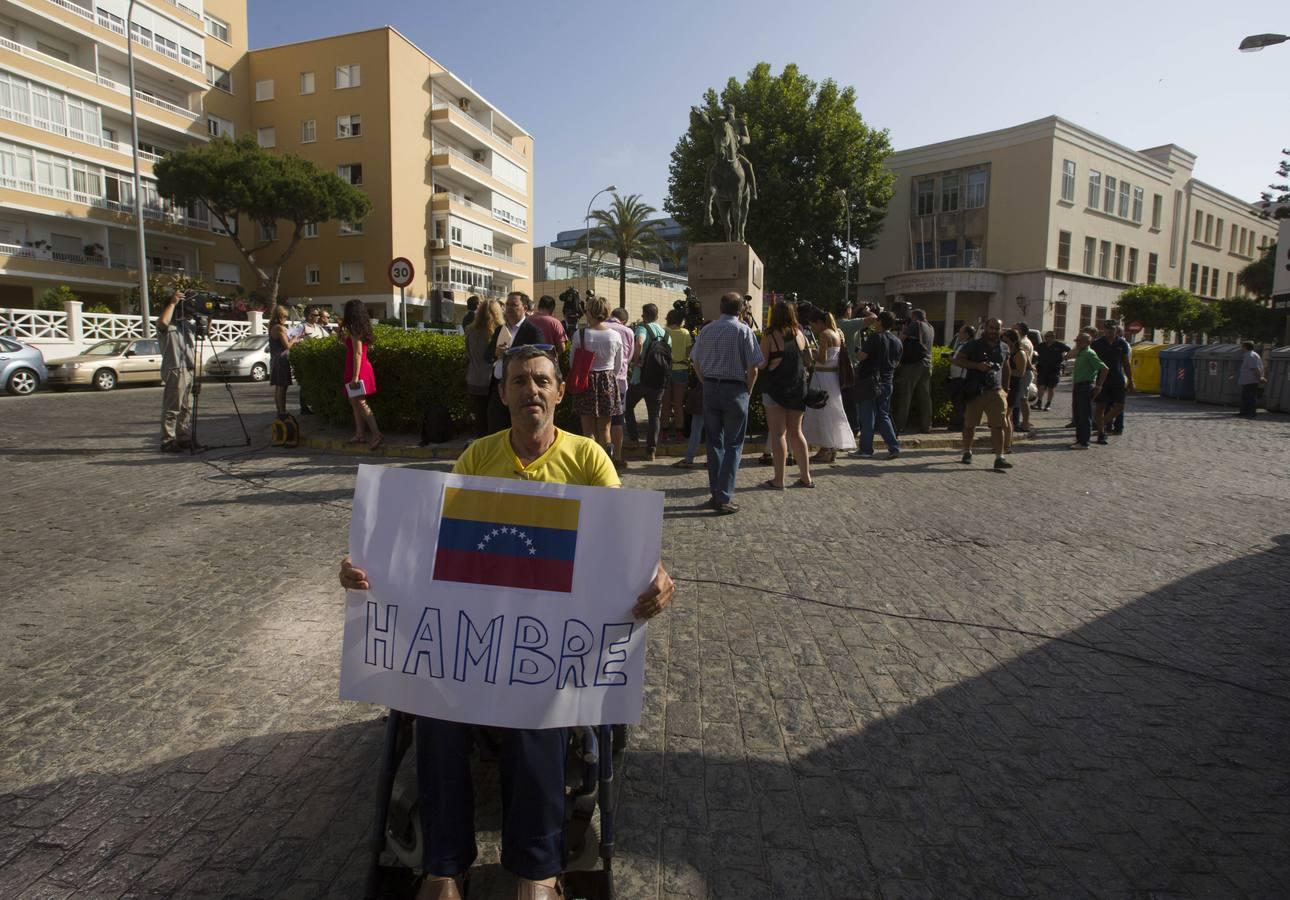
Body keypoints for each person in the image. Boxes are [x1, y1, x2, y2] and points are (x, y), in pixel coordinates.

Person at [339, 345, 674, 900]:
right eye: (519, 381)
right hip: (479, 640)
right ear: (503, 393)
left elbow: (624, 547)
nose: (531, 390)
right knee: (434, 712)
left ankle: (537, 869)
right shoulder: (477, 458)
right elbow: (432, 551)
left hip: (544, 648)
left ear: (560, 392)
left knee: (537, 706)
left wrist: (657, 576)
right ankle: (445, 867)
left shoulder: (589, 459)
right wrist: (367, 571)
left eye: (542, 380)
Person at [691, 292, 764, 514]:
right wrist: (748, 391)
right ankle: (723, 496)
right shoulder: (744, 331)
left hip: (712, 387)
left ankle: (716, 492)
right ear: (741, 309)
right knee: (734, 444)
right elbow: (754, 366)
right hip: (735, 389)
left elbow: (695, 360)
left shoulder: (707, 329)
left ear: (721, 307)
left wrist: (706, 382)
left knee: (714, 443)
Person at [757, 301, 812, 490]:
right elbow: (808, 360)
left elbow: (762, 363)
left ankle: (779, 480)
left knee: (778, 434)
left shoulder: (770, 335)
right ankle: (806, 477)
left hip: (775, 389)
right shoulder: (800, 334)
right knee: (797, 433)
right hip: (797, 388)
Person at [953, 317, 1013, 470]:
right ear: (985, 328)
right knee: (970, 424)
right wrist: (977, 366)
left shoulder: (1005, 347)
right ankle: (967, 452)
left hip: (996, 391)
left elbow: (1006, 367)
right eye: (991, 328)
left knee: (999, 425)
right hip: (976, 390)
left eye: (996, 328)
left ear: (1001, 330)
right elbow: (957, 360)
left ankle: (1000, 457)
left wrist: (1006, 389)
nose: (993, 331)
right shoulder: (973, 345)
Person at [570, 294, 624, 460]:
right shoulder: (615, 335)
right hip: (607, 380)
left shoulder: (580, 334)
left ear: (589, 312)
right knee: (605, 429)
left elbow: (573, 363)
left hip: (586, 381)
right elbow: (618, 364)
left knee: (588, 431)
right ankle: (606, 463)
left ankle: (590, 464)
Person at [803, 308, 855, 463]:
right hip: (832, 377)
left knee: (821, 411)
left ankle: (825, 448)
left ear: (819, 322)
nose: (813, 328)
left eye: (813, 324)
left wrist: (811, 351)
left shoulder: (825, 334)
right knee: (832, 411)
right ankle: (829, 447)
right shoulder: (837, 333)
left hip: (823, 376)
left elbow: (822, 358)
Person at [486, 292, 544, 434]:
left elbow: (538, 360)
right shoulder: (500, 330)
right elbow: (486, 355)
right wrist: (495, 353)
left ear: (524, 307)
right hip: (499, 387)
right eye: (508, 305)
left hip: (520, 388)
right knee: (496, 428)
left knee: (518, 429)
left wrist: (511, 353)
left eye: (514, 305)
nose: (510, 308)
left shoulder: (533, 332)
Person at [851, 309, 902, 460]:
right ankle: (894, 447)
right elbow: (897, 363)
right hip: (887, 382)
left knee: (868, 416)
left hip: (870, 382)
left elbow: (861, 356)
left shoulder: (874, 338)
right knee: (883, 415)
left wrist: (856, 350)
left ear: (879, 321)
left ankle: (866, 449)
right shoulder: (897, 341)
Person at [624, 304, 670, 461]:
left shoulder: (643, 328)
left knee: (627, 406)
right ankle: (651, 450)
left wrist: (636, 360)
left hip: (640, 379)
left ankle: (634, 438)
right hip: (658, 381)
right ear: (657, 316)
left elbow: (639, 342)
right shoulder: (666, 334)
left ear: (644, 315)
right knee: (654, 415)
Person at [157, 287, 197, 452]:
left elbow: (205, 332)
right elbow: (163, 322)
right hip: (175, 368)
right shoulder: (167, 325)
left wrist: (207, 317)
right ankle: (168, 440)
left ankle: (183, 437)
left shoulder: (187, 325)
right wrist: (173, 302)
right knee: (173, 406)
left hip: (189, 368)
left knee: (187, 406)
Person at [341, 298, 382, 451]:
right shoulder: (361, 328)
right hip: (360, 367)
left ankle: (376, 434)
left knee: (360, 402)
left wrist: (355, 376)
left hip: (357, 369)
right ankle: (360, 434)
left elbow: (358, 353)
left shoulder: (354, 329)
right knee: (355, 402)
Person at [892, 308, 934, 434]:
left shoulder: (915, 324)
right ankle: (926, 425)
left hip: (913, 364)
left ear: (914, 316)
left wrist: (905, 329)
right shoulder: (930, 327)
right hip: (927, 363)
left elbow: (900, 340)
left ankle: (899, 426)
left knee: (905, 394)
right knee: (924, 396)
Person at [1090, 319, 1133, 444]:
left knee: (1120, 406)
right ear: (1104, 330)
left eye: (1112, 329)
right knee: (1101, 406)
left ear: (1116, 330)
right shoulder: (1097, 344)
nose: (1110, 331)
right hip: (1102, 379)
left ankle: (1101, 424)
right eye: (1107, 329)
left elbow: (1126, 363)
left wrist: (1131, 380)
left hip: (1117, 378)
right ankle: (1101, 434)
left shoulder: (1122, 344)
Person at [465, 299, 503, 439]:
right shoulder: (499, 331)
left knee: (480, 418)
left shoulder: (470, 330)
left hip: (474, 379)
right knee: (494, 420)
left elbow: (468, 353)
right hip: (491, 381)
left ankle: (480, 450)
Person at [605, 309, 636, 471]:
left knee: (601, 420)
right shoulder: (628, 331)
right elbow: (629, 356)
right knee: (617, 420)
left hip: (598, 379)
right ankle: (617, 456)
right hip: (620, 380)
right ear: (624, 320)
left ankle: (601, 457)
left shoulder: (599, 327)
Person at [1068, 332, 1109, 448]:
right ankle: (1079, 439)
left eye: (1080, 341)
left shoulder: (1089, 353)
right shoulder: (1080, 353)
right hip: (1078, 386)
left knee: (1084, 414)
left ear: (1088, 342)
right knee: (1078, 414)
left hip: (1085, 386)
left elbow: (1104, 369)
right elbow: (1067, 356)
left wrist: (1098, 386)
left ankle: (1084, 441)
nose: (1078, 342)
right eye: (1077, 341)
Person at [662, 307, 693, 444]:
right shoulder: (685, 333)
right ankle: (679, 433)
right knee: (679, 405)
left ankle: (664, 433)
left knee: (665, 404)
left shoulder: (664, 332)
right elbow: (689, 353)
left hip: (666, 370)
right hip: (681, 369)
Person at [268, 304, 300, 419]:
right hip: (280, 359)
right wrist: (295, 339)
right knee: (282, 386)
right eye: (285, 317)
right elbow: (287, 345)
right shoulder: (278, 328)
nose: (285, 319)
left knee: (280, 386)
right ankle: (282, 411)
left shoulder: (273, 326)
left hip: (277, 359)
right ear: (280, 316)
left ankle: (281, 411)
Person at [946, 324, 975, 432]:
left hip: (962, 377)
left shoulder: (969, 346)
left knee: (960, 403)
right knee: (956, 402)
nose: (959, 334)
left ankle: (960, 424)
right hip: (955, 376)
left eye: (961, 332)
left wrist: (952, 360)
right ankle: (957, 423)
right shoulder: (961, 344)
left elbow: (963, 362)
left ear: (967, 335)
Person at [1033, 330, 1070, 411]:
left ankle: (1048, 404)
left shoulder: (1059, 345)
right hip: (1042, 368)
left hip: (1054, 369)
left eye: (1048, 336)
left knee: (1051, 387)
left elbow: (1069, 350)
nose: (1046, 338)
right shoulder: (1041, 345)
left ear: (1053, 337)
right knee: (1041, 386)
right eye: (1046, 336)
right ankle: (1039, 402)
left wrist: (1065, 358)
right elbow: (1035, 353)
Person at [1011, 321, 1035, 432]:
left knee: (1022, 398)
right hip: (1023, 372)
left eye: (1015, 328)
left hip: (1023, 372)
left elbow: (1025, 360)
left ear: (1020, 331)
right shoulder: (1022, 341)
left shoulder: (1023, 343)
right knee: (1020, 398)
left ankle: (1025, 423)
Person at [1237, 340, 1267, 418]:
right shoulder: (1249, 355)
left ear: (1246, 347)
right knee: (1245, 397)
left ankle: (1250, 413)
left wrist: (1260, 378)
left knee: (1250, 398)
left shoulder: (1251, 356)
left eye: (1242, 346)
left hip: (1250, 380)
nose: (1241, 348)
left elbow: (1255, 368)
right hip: (1247, 380)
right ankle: (1244, 412)